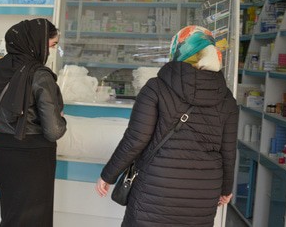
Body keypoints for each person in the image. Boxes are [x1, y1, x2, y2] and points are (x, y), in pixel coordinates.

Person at [96, 25, 239, 226]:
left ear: (178, 50)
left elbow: (136, 139)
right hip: (202, 196)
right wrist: (226, 188)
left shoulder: (155, 88)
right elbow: (228, 151)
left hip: (155, 190)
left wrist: (108, 174)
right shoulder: (227, 100)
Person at [0, 18, 67, 227]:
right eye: (52, 45)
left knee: (12, 216)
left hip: (2, 150)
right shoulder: (39, 75)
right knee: (33, 221)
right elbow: (54, 130)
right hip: (32, 156)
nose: (51, 52)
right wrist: (63, 119)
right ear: (37, 43)